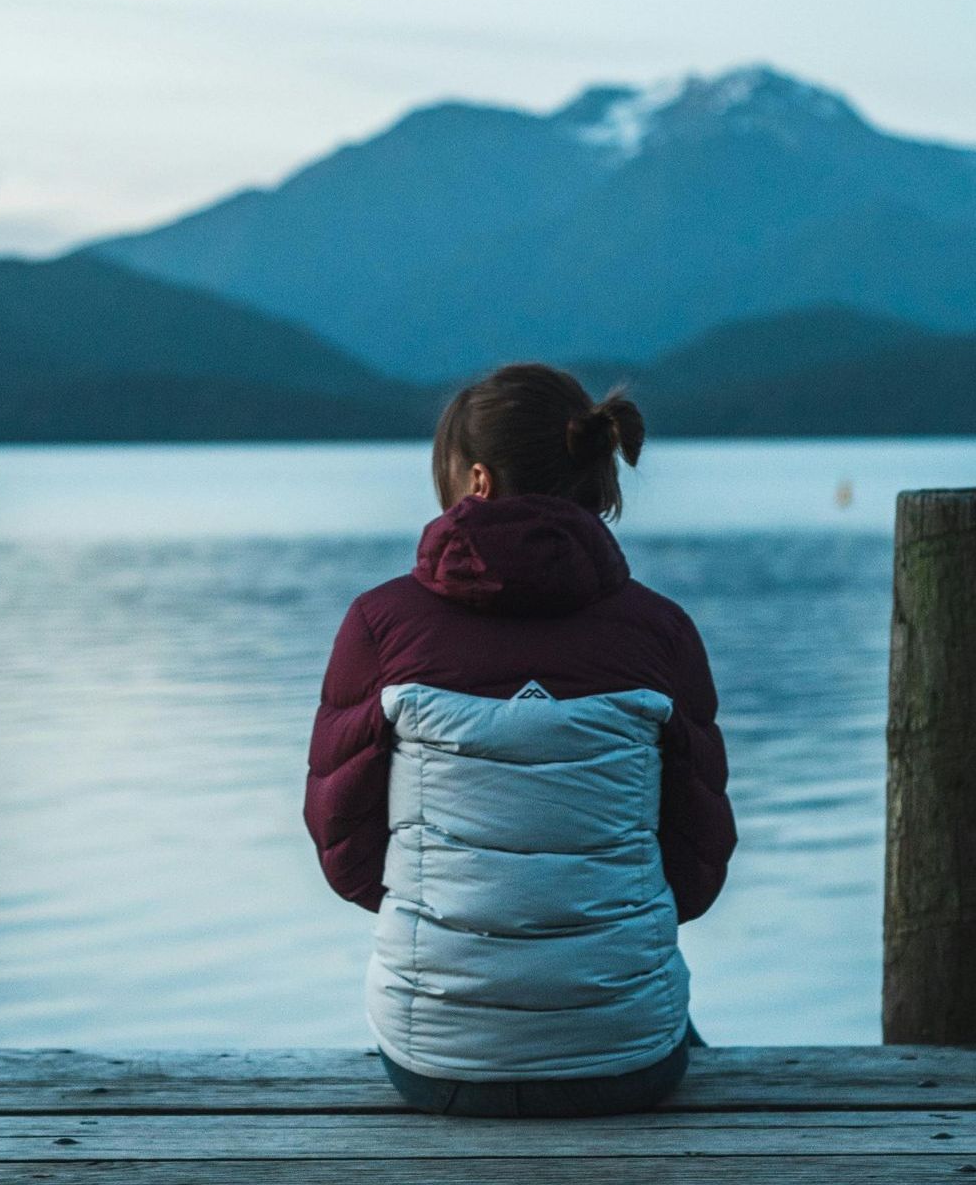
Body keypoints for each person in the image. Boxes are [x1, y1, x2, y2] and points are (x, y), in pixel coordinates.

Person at [303, 363, 736, 1118]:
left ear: (474, 479)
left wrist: (452, 908)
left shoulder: (380, 626)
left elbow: (345, 852)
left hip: (436, 1061)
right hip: (629, 1060)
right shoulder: (660, 633)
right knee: (673, 1023)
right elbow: (697, 869)